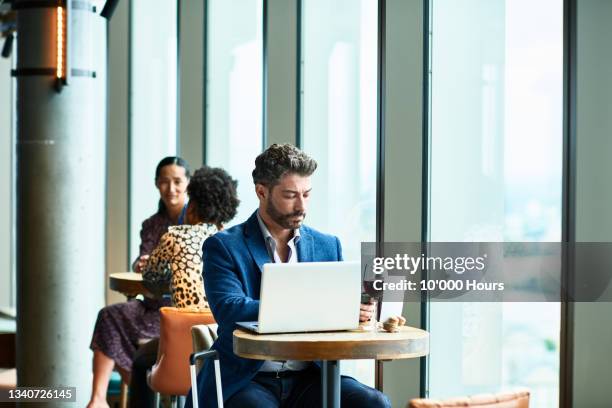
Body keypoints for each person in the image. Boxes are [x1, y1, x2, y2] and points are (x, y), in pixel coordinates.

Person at [188, 144, 390, 408]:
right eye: (290, 195)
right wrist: (313, 308)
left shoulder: (328, 245)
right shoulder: (224, 246)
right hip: (247, 378)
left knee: (374, 403)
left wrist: (356, 311)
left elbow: (335, 316)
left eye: (307, 194)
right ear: (261, 191)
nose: (301, 205)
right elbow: (229, 310)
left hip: (311, 376)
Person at [87, 156, 190, 408]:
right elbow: (142, 260)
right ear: (157, 184)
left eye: (177, 181)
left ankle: (145, 394)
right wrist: (140, 264)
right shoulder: (151, 224)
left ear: (188, 183)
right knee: (109, 315)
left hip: (178, 311)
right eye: (165, 182)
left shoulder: (196, 223)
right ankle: (98, 399)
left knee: (131, 331)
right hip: (150, 305)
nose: (171, 188)